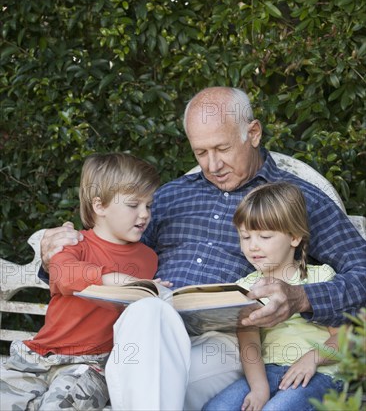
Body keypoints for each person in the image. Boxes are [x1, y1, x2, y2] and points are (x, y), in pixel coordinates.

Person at [39, 87, 366, 410]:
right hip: (147, 335)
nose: (212, 165)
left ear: (252, 133)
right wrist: (54, 255)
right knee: (148, 310)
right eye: (200, 152)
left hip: (225, 343)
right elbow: (110, 251)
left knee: (149, 376)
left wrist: (302, 297)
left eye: (222, 148)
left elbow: (362, 271)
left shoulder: (292, 199)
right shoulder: (169, 197)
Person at [1, 152, 164, 410]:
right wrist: (109, 278)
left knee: (59, 405)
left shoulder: (148, 259)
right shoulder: (73, 243)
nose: (144, 214)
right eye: (134, 205)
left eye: (149, 205)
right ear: (99, 206)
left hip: (91, 366)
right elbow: (63, 275)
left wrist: (155, 291)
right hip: (42, 356)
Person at [203, 182, 343, 411]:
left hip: (321, 372)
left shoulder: (320, 277)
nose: (253, 247)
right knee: (217, 408)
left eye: (264, 236)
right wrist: (259, 388)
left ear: (294, 237)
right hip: (267, 371)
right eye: (245, 237)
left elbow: (347, 338)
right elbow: (249, 342)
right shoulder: (245, 288)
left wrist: (312, 359)